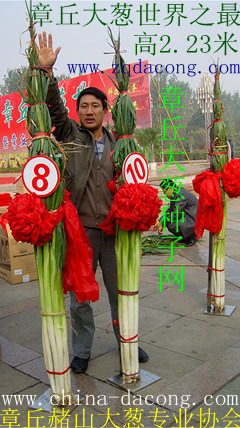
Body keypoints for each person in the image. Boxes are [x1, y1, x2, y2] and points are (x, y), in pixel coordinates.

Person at [37, 32, 148, 373]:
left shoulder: (122, 143)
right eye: (83, 106)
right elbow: (55, 111)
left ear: (106, 111)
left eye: (94, 106)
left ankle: (126, 339)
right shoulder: (71, 136)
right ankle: (82, 350)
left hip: (113, 231)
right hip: (82, 231)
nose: (88, 111)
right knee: (81, 297)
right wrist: (47, 74)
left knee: (121, 290)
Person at [153, 179, 198, 247]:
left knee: (172, 226)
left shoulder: (181, 195)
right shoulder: (176, 193)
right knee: (170, 224)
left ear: (170, 188)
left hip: (192, 217)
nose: (165, 195)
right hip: (186, 215)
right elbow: (170, 210)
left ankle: (191, 237)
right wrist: (160, 221)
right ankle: (185, 237)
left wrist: (163, 223)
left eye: (165, 192)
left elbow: (175, 213)